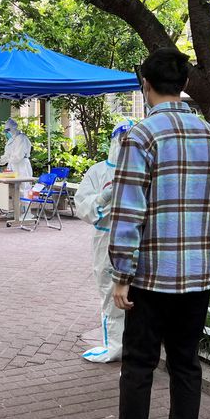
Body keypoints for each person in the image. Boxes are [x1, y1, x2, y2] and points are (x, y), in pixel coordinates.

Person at [95, 48, 210, 419]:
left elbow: (127, 213)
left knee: (139, 366)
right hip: (198, 274)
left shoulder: (142, 135)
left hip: (151, 276)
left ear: (145, 86)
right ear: (184, 84)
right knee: (187, 366)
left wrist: (120, 274)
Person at [74, 120, 132, 363]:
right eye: (122, 138)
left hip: (138, 239)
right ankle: (117, 346)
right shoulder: (98, 172)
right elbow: (83, 206)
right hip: (106, 239)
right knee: (111, 294)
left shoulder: (145, 169)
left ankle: (137, 345)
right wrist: (105, 197)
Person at [0, 118, 32, 193]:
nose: (6, 133)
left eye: (7, 130)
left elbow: (18, 157)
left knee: (23, 188)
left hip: (22, 166)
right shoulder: (10, 140)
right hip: (13, 166)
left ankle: (24, 205)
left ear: (13, 128)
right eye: (5, 131)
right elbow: (8, 154)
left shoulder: (21, 138)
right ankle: (14, 204)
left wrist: (8, 159)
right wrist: (2, 160)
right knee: (12, 188)